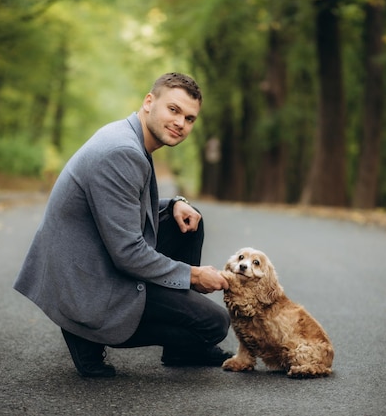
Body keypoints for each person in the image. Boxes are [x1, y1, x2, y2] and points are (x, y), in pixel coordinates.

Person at [14, 72, 232, 378]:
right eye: (173, 110)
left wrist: (173, 203)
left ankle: (183, 349)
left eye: (189, 118)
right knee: (213, 323)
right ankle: (88, 333)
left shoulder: (129, 136)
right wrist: (193, 276)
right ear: (149, 102)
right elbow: (128, 253)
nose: (181, 123)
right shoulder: (123, 152)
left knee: (187, 219)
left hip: (95, 257)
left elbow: (120, 209)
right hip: (87, 283)